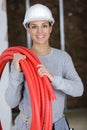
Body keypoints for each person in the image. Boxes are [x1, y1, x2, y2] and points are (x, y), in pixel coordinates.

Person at [5, 3, 84, 130]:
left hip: (58, 125)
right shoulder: (21, 60)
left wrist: (54, 79)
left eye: (44, 26)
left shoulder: (62, 58)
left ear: (50, 28)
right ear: (28, 29)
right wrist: (16, 73)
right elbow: (11, 102)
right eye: (34, 26)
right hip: (27, 126)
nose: (40, 31)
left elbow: (78, 90)